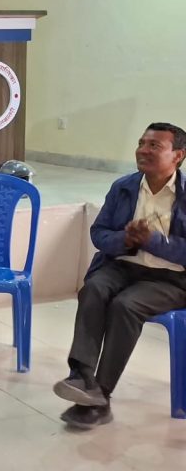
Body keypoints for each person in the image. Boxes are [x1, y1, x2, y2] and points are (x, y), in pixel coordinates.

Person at [53, 122, 186, 429]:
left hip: (169, 279)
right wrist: (125, 239)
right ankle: (82, 376)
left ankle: (101, 395)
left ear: (178, 155)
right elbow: (99, 232)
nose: (143, 150)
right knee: (94, 288)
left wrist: (153, 241)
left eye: (154, 146)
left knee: (126, 305)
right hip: (122, 266)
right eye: (141, 143)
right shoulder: (124, 187)